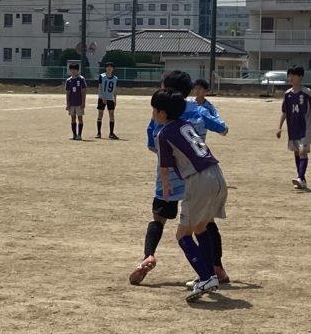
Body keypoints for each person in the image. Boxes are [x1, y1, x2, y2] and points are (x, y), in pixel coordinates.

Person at [132, 70, 229, 286]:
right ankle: (216, 267)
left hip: (169, 176)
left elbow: (151, 145)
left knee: (159, 218)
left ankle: (148, 255)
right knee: (205, 223)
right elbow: (223, 128)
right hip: (201, 171)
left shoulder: (161, 113)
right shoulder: (199, 110)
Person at [151, 88, 230, 301]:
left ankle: (206, 277)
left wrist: (166, 187)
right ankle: (210, 274)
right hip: (216, 174)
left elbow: (165, 168)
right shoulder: (187, 125)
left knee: (182, 234)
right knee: (201, 227)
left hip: (198, 181)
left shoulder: (163, 133)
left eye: (154, 109)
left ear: (162, 113)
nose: (153, 113)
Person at [276, 65, 311, 189]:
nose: (291, 78)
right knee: (296, 153)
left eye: (293, 75)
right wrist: (279, 127)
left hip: (305, 128)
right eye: (290, 75)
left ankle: (300, 177)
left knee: (303, 152)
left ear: (300, 77)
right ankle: (302, 179)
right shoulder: (287, 94)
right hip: (293, 128)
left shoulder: (307, 92)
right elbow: (284, 112)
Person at [62, 60, 88, 141]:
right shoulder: (68, 80)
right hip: (72, 102)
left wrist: (83, 102)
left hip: (79, 102)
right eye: (71, 70)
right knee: (73, 118)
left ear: (77, 70)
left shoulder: (81, 79)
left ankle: (79, 134)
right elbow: (68, 92)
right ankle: (74, 134)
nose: (73, 71)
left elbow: (84, 91)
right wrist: (67, 103)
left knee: (80, 118)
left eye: (75, 70)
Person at [94, 63, 120, 140]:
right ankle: (98, 133)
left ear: (113, 69)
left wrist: (115, 99)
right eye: (108, 67)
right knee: (100, 114)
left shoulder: (115, 78)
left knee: (111, 115)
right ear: (105, 68)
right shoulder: (102, 76)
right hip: (102, 98)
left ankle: (111, 133)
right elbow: (100, 88)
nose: (109, 68)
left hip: (110, 98)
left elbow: (114, 90)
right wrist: (102, 97)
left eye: (111, 67)